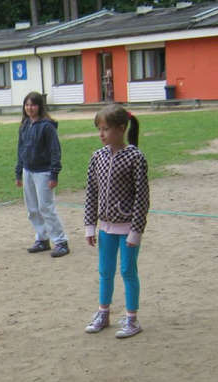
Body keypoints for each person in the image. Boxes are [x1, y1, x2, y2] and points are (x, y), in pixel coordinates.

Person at [83, 104, 149, 338]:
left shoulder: (135, 157)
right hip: (105, 229)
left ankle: (132, 318)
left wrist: (136, 231)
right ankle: (103, 313)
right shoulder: (97, 157)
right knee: (105, 271)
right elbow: (91, 193)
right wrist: (90, 226)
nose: (101, 134)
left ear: (121, 129)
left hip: (128, 228)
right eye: (99, 129)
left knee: (128, 271)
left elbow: (142, 197)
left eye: (106, 129)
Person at [14, 91, 70, 257]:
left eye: (33, 105)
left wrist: (54, 174)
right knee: (32, 208)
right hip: (28, 170)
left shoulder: (47, 126)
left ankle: (60, 241)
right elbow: (21, 149)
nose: (30, 108)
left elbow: (55, 150)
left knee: (46, 207)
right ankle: (42, 238)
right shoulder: (24, 125)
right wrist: (19, 172)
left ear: (39, 106)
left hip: (43, 172)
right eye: (27, 105)